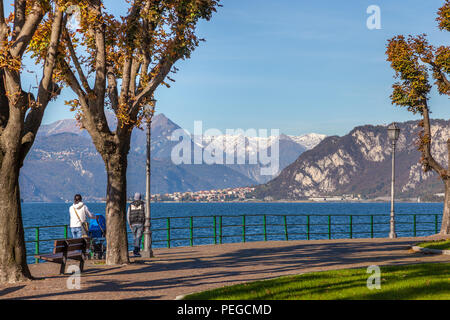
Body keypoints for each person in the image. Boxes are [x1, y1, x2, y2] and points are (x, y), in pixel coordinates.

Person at [127, 193, 146, 257]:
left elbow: (128, 215)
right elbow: (146, 214)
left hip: (133, 223)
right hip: (140, 223)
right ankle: (136, 251)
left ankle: (135, 250)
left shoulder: (130, 205)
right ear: (140, 197)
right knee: (138, 237)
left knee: (135, 237)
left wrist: (129, 223)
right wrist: (145, 223)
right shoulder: (143, 205)